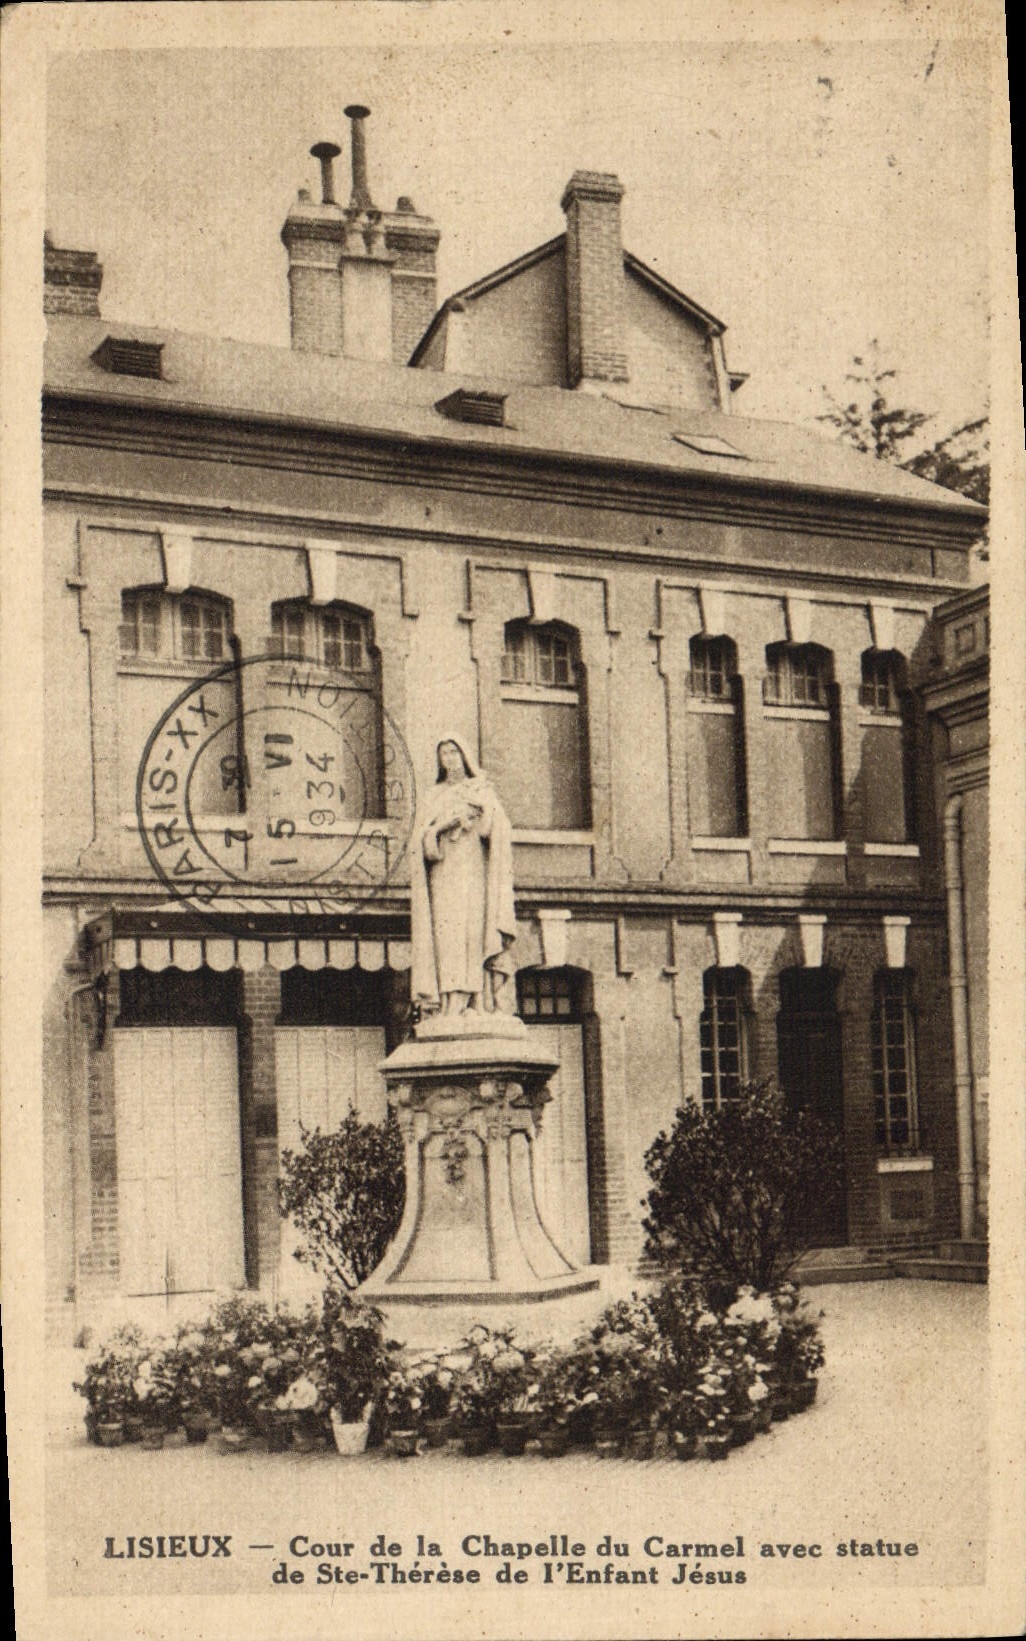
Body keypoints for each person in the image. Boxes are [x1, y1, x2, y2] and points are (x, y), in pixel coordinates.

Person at [410, 734, 517, 1018]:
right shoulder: (433, 794)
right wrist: (443, 826)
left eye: (454, 752)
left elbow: (492, 831)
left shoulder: (481, 789)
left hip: (474, 870)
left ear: (464, 755)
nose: (450, 758)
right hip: (444, 872)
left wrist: (483, 809)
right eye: (444, 753)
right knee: (448, 935)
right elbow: (421, 843)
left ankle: (478, 1001)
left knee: (475, 931)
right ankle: (449, 1003)